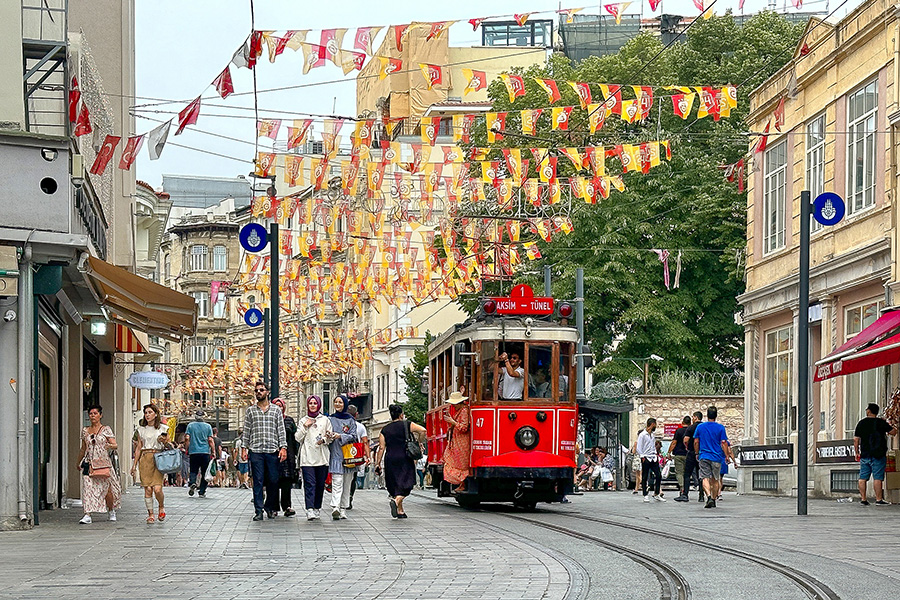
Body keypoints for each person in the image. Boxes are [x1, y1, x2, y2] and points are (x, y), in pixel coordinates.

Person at [241, 381, 288, 521]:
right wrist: (244, 448)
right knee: (258, 481)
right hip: (256, 451)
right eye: (256, 390)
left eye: (261, 390)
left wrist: (283, 447)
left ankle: (269, 506)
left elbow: (281, 430)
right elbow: (246, 431)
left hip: (272, 449)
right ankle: (258, 510)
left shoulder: (276, 410)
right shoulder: (250, 411)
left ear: (267, 392)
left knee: (273, 480)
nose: (259, 392)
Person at [375, 403, 426, 518]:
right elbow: (423, 430)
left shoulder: (384, 429)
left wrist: (377, 463)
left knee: (396, 484)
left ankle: (400, 511)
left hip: (390, 458)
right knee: (407, 483)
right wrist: (419, 442)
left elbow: (381, 448)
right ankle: (396, 501)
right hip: (405, 457)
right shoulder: (406, 425)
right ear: (401, 415)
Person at [76, 405, 121, 524]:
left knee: (107, 490)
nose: (93, 416)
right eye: (91, 413)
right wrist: (78, 462)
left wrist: (109, 446)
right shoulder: (85, 431)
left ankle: (111, 510)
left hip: (103, 463)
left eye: (95, 413)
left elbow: (115, 444)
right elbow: (83, 448)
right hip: (89, 463)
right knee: (87, 489)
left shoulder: (106, 429)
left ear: (100, 415)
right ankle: (87, 514)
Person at [130, 404, 169, 523]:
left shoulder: (163, 428)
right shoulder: (141, 430)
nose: (147, 415)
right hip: (145, 458)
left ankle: (161, 506)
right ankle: (150, 514)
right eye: (146, 412)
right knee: (147, 489)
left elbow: (169, 443)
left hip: (158, 457)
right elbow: (138, 448)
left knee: (157, 488)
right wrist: (134, 465)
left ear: (156, 414)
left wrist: (164, 441)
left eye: (150, 412)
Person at [296, 395, 332, 520]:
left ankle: (317, 507)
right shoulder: (303, 420)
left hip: (322, 457)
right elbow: (298, 438)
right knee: (310, 483)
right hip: (307, 457)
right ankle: (309, 508)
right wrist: (306, 426)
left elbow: (330, 436)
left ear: (319, 405)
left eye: (314, 403)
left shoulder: (325, 420)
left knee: (320, 484)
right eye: (310, 403)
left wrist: (325, 439)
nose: (312, 405)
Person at [854, 402, 898, 505]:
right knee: (877, 478)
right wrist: (892, 426)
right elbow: (893, 432)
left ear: (868, 411)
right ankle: (878, 499)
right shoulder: (880, 422)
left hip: (865, 454)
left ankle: (863, 499)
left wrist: (856, 452)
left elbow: (856, 440)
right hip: (878, 454)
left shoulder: (861, 423)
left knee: (862, 478)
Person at [326, 394, 358, 520]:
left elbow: (354, 435)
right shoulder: (330, 419)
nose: (338, 404)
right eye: (336, 402)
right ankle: (335, 507)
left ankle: (344, 508)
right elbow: (325, 431)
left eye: (340, 402)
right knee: (337, 481)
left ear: (345, 404)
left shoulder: (350, 420)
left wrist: (341, 436)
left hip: (348, 454)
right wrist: (329, 435)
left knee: (346, 483)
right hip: (335, 454)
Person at [693, 405, 730, 509]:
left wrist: (697, 453)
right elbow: (724, 443)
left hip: (704, 455)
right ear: (716, 416)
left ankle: (708, 496)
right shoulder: (720, 428)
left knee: (705, 477)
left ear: (707, 415)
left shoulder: (700, 427)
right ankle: (713, 499)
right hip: (717, 456)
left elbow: (696, 441)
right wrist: (726, 455)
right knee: (715, 479)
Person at [271, 397, 299, 517]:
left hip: (288, 454)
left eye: (280, 405)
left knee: (287, 481)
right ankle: (273, 507)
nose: (279, 408)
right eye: (276, 405)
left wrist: (296, 453)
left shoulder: (289, 420)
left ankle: (287, 506)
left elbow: (294, 438)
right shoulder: (270, 420)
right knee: (274, 481)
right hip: (273, 453)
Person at [442, 391, 471, 491]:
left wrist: (452, 422)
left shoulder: (464, 411)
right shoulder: (461, 410)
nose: (453, 406)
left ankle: (463, 483)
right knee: (456, 462)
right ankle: (462, 483)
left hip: (462, 441)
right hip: (458, 440)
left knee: (460, 463)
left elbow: (464, 427)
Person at [184, 411, 214, 498]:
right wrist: (213, 451)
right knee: (205, 472)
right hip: (205, 452)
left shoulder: (190, 425)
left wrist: (187, 448)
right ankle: (202, 491)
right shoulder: (208, 426)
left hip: (194, 451)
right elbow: (210, 440)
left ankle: (193, 482)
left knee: (193, 470)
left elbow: (187, 438)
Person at [346, 404, 370, 510]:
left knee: (341, 477)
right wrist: (368, 457)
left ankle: (343, 497)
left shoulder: (342, 425)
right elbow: (365, 442)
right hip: (355, 454)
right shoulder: (360, 427)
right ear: (356, 415)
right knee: (353, 478)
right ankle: (350, 496)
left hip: (342, 453)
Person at [637, 418, 665, 502]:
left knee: (658, 475)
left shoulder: (652, 435)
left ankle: (656, 493)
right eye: (655, 424)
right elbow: (639, 447)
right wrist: (642, 456)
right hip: (646, 457)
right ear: (652, 424)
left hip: (653, 457)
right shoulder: (642, 435)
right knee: (645, 476)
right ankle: (645, 494)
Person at [681, 411, 704, 503]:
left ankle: (685, 494)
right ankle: (701, 495)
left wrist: (687, 447)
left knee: (687, 474)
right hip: (702, 453)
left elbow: (686, 440)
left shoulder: (691, 428)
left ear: (695, 417)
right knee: (701, 475)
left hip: (691, 452)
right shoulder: (703, 427)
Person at [670, 416, 691, 502]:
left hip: (678, 454)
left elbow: (674, 442)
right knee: (686, 473)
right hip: (688, 454)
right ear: (690, 423)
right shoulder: (691, 430)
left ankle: (682, 487)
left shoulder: (678, 431)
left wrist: (669, 452)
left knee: (679, 472)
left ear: (682, 422)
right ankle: (686, 489)